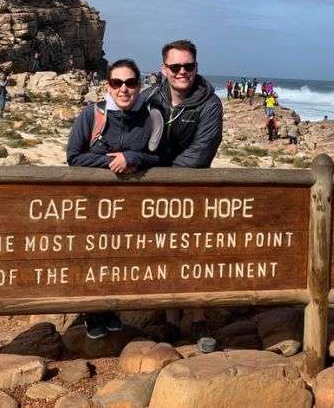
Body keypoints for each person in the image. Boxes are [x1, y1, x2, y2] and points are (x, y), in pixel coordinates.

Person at [67, 58, 163, 340]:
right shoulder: (91, 114)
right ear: (108, 86)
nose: (124, 89)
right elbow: (73, 156)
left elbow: (160, 156)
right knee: (93, 255)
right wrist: (113, 161)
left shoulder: (151, 117)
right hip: (93, 203)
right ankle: (92, 311)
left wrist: (132, 157)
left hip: (130, 205)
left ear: (139, 85)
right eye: (117, 83)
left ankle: (111, 308)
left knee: (119, 256)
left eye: (131, 83)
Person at [144, 39, 223, 353]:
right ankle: (171, 318)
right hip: (157, 189)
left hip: (192, 189)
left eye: (187, 66)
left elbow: (201, 152)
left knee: (194, 252)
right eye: (175, 66)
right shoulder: (150, 99)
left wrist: (166, 176)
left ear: (196, 68)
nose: (182, 72)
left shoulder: (210, 104)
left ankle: (199, 316)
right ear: (164, 69)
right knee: (164, 251)